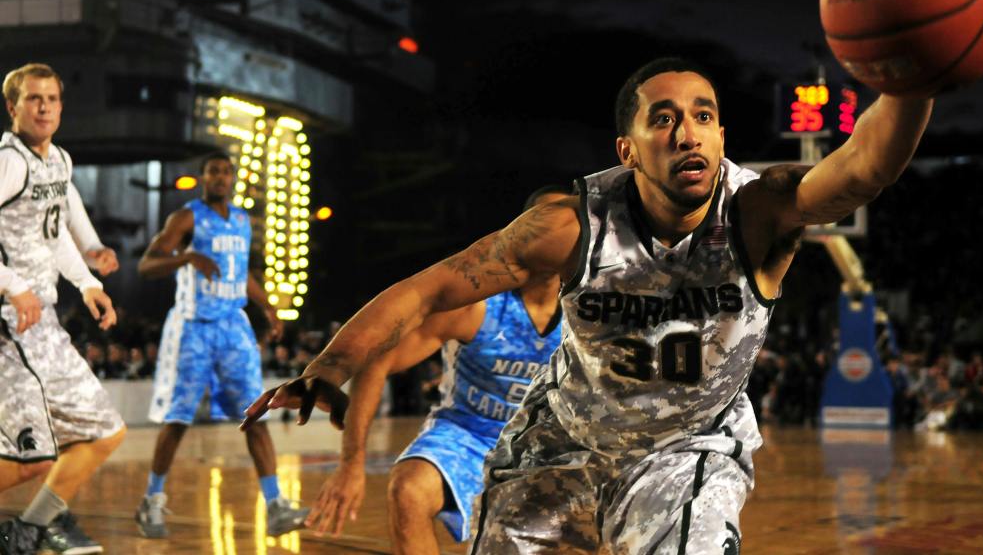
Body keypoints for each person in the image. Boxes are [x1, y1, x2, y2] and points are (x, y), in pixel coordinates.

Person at [244, 57, 935, 554]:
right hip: (560, 443)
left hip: (685, 449)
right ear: (627, 150)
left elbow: (863, 168)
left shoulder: (761, 212)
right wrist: (328, 367)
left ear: (722, 140)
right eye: (663, 119)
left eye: (704, 116)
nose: (687, 132)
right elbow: (431, 288)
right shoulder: (570, 226)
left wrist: (913, 77)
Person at [305, 186, 569, 554]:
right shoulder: (478, 305)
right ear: (518, 233)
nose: (553, 231)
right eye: (542, 221)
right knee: (408, 489)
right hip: (468, 435)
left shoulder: (592, 309)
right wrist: (351, 463)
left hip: (550, 446)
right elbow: (378, 361)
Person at [133, 150, 309, 539]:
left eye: (226, 173)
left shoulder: (244, 220)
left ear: (233, 179)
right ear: (202, 178)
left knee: (256, 412)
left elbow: (241, 273)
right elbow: (146, 264)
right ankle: (152, 500)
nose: (220, 178)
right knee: (177, 419)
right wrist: (187, 257)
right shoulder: (186, 218)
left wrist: (268, 308)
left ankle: (276, 504)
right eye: (213, 172)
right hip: (193, 327)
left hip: (233, 326)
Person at [0, 63, 123, 555]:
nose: (44, 106)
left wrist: (88, 281)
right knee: (32, 456)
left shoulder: (57, 161)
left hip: (41, 321)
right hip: (10, 323)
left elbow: (55, 236)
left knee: (105, 433)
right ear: (13, 108)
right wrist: (12, 286)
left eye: (51, 98)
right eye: (34, 99)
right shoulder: (9, 161)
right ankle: (32, 531)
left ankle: (29, 531)